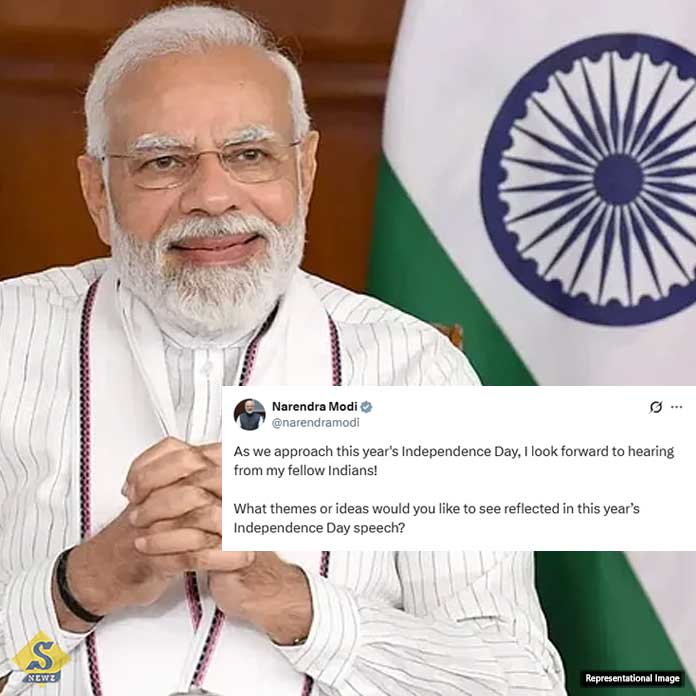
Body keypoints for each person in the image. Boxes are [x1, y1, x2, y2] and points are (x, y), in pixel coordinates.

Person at [0, 5, 566, 695]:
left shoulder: (413, 371)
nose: (213, 197)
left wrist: (302, 609)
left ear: (306, 169)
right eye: (163, 162)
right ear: (97, 191)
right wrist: (81, 587)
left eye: (250, 155)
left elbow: (518, 683)